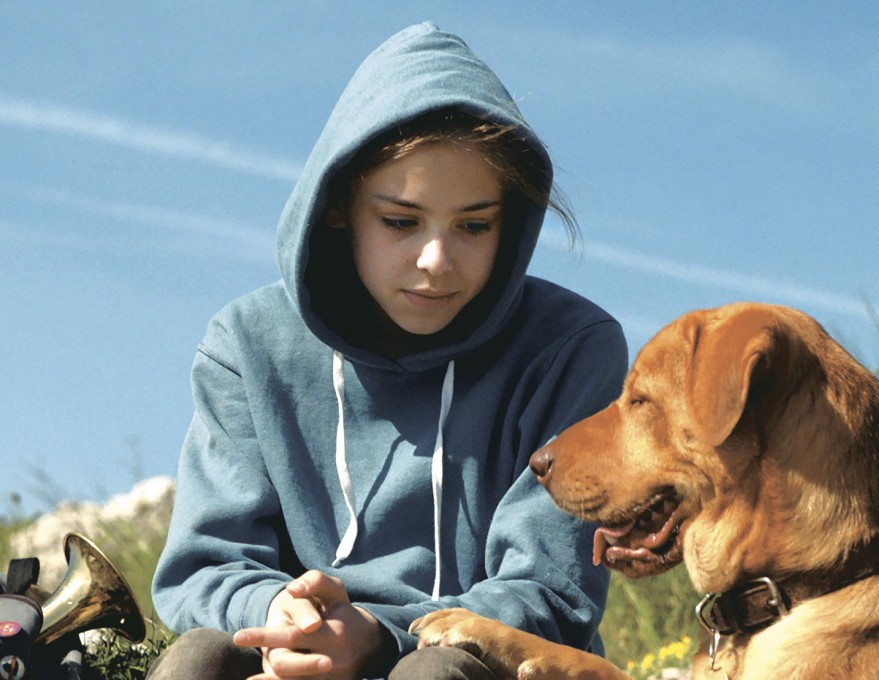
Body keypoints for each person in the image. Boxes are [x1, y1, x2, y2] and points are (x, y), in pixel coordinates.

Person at [147, 21, 628, 680]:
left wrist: (381, 636)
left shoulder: (571, 349)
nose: (436, 261)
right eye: (401, 222)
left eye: (474, 225)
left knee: (430, 676)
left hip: (473, 664)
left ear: (510, 220)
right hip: (298, 657)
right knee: (201, 657)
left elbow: (552, 593)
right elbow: (207, 564)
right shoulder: (247, 344)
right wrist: (283, 614)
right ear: (340, 203)